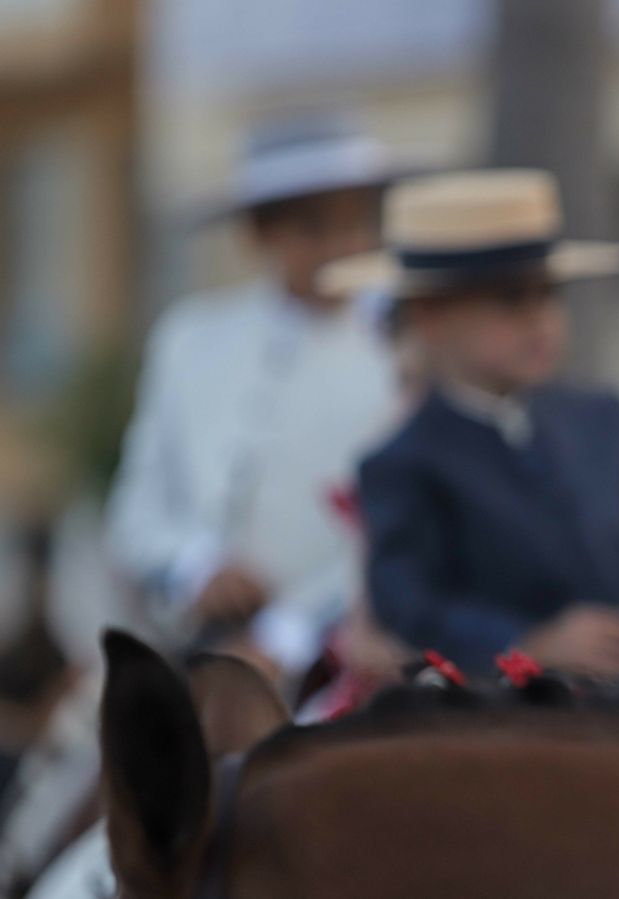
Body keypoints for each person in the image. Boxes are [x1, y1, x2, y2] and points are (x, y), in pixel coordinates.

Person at [337, 169, 619, 679]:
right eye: (510, 301)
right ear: (430, 315)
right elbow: (409, 603)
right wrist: (530, 644)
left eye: (549, 295)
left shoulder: (604, 418)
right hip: (503, 711)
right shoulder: (402, 460)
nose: (540, 319)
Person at [105, 116, 399, 682]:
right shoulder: (192, 338)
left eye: (356, 222)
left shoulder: (398, 346)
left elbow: (396, 527)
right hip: (189, 639)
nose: (343, 246)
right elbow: (136, 509)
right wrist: (196, 565)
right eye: (314, 227)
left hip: (343, 655)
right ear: (262, 234)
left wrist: (290, 629)